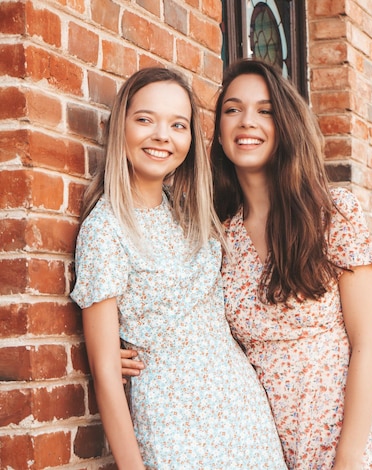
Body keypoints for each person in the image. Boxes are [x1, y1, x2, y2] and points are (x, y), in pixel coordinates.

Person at [123, 59, 372, 469]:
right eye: (232, 110)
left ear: (285, 123)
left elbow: (369, 345)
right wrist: (116, 345)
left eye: (264, 110)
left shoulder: (332, 214)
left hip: (340, 443)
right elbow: (175, 307)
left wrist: (348, 459)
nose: (247, 121)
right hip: (255, 443)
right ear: (219, 131)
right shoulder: (217, 233)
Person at [71, 67, 287, 469]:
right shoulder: (105, 230)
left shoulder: (190, 212)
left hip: (245, 415)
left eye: (178, 125)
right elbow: (105, 374)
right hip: (174, 426)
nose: (162, 136)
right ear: (121, 126)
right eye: (145, 120)